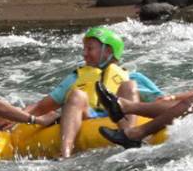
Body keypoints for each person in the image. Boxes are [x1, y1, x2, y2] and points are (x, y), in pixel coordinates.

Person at [14, 26, 164, 158]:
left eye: (90, 48)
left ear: (108, 51)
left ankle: (130, 137)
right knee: (77, 95)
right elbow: (41, 107)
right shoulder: (76, 77)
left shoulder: (133, 77)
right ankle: (65, 153)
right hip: (87, 116)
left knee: (129, 86)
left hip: (121, 119)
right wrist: (14, 117)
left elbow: (161, 103)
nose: (84, 54)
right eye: (84, 49)